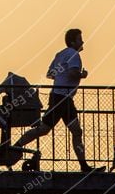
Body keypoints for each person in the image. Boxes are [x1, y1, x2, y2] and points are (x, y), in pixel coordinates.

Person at [14, 28, 105, 173]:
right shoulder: (74, 54)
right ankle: (15, 147)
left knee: (71, 130)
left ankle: (84, 166)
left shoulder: (60, 54)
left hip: (60, 97)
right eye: (80, 39)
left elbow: (50, 74)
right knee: (51, 129)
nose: (82, 41)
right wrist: (83, 75)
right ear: (73, 42)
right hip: (62, 98)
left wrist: (61, 75)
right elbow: (73, 71)